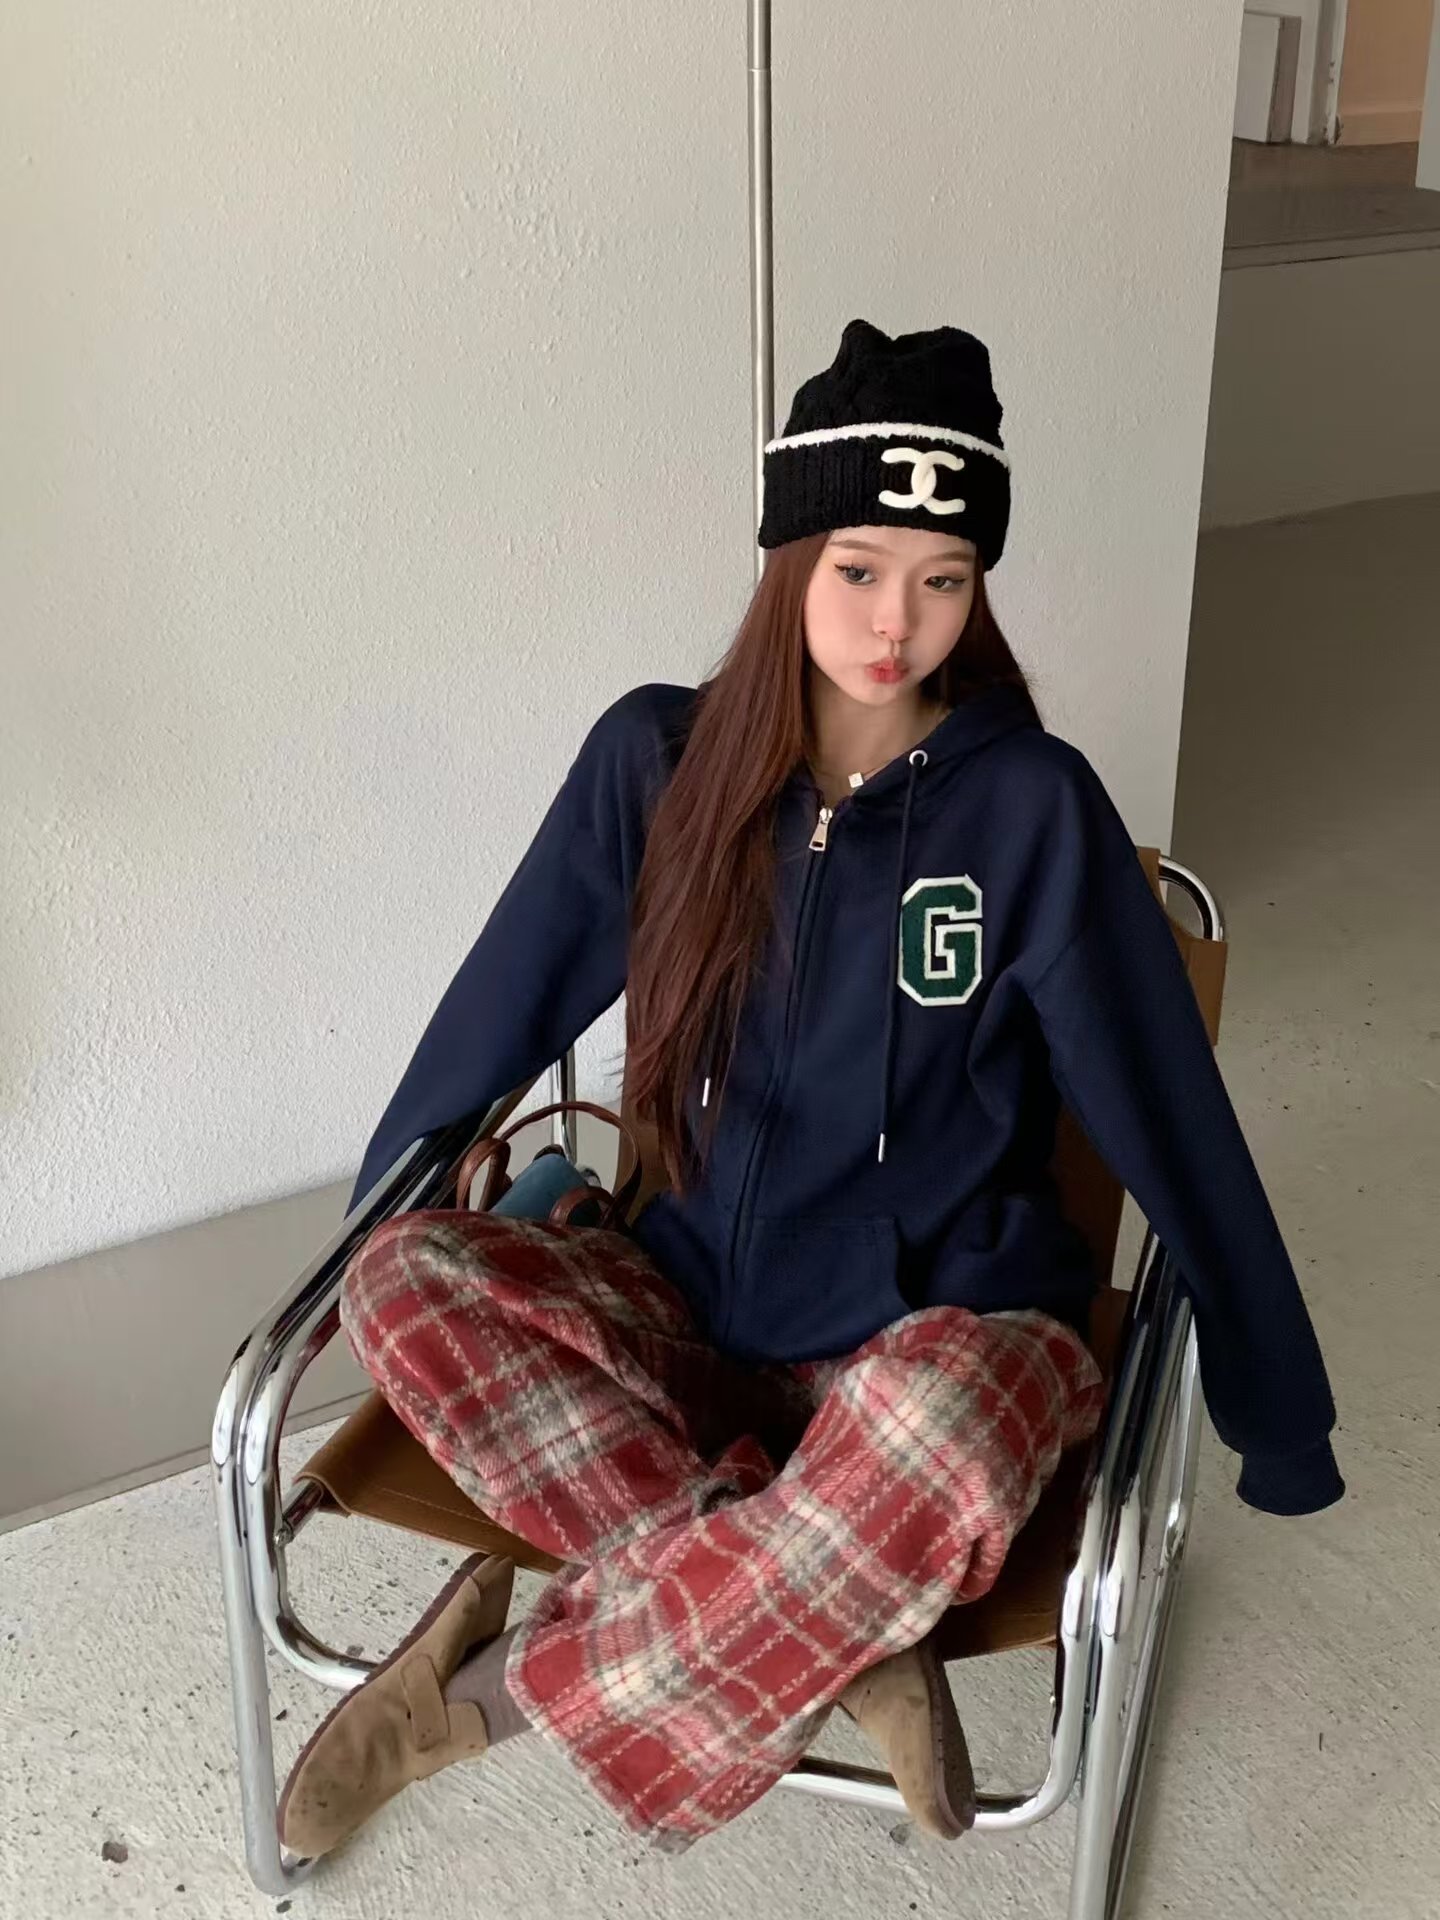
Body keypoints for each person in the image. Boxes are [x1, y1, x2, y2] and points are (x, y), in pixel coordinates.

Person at [277, 318, 1344, 1863]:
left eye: (943, 579)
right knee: (405, 1284)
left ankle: (479, 1698)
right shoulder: (654, 763)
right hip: (688, 1314)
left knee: (951, 1435)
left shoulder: (1031, 810)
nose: (896, 622)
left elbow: (1168, 1110)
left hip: (933, 1338)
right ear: (789, 562)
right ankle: (840, 1625)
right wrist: (361, 1238)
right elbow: (492, 1016)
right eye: (857, 568)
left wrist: (1278, 1408)